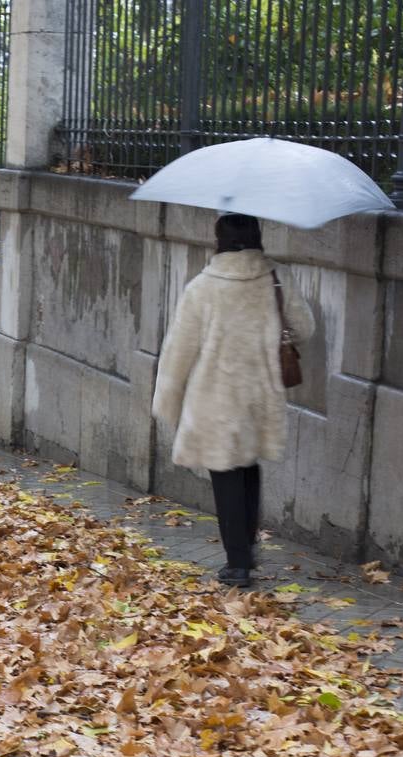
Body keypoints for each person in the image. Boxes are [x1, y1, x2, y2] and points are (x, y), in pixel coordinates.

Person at [151, 213, 315, 588]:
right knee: (247, 461)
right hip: (260, 391)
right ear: (258, 237)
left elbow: (179, 350)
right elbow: (304, 328)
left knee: (225, 470)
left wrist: (169, 399)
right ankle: (247, 543)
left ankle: (237, 562)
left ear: (218, 241)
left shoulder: (203, 287)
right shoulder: (276, 278)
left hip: (215, 395)